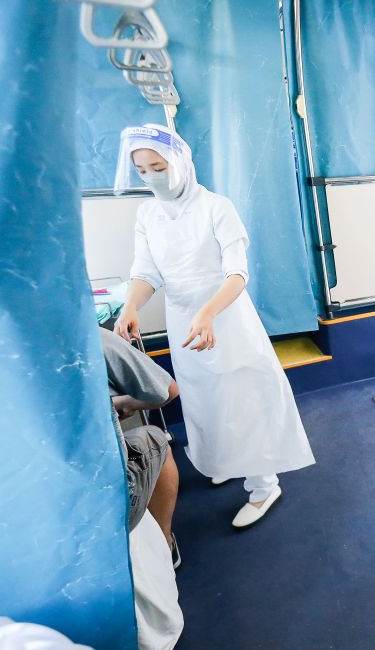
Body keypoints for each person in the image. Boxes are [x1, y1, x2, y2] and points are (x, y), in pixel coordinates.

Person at [112, 124, 315, 528]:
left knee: (241, 398)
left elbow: (237, 273)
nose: (152, 176)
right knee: (204, 399)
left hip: (225, 315)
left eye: (158, 166)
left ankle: (263, 485)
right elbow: (146, 272)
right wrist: (131, 305)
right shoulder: (148, 213)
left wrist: (207, 313)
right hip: (184, 322)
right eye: (143, 170)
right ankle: (225, 459)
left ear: (182, 163)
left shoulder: (216, 206)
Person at [101, 327, 180, 563]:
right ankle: (165, 545)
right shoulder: (93, 339)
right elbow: (167, 392)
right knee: (155, 440)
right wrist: (121, 404)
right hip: (106, 499)